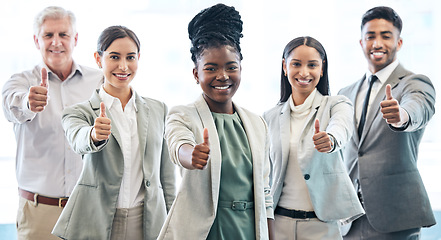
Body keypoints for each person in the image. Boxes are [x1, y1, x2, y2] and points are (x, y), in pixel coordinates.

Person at [158, 3, 273, 240]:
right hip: (205, 233)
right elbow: (177, 143)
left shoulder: (257, 124)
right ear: (196, 73)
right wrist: (189, 155)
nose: (222, 76)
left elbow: (264, 191)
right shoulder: (181, 114)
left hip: (248, 231)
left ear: (241, 68)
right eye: (211, 68)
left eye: (231, 67)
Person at [51, 25, 176, 240]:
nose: (123, 66)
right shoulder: (78, 112)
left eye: (130, 57)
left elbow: (167, 176)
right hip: (97, 222)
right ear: (98, 59)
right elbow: (77, 138)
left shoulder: (158, 110)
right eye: (114, 57)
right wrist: (93, 135)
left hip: (148, 223)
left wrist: (174, 225)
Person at [1, 6, 103, 240]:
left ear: (75, 39)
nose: (56, 42)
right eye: (48, 35)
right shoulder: (20, 82)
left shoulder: (98, 81)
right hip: (39, 214)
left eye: (63, 35)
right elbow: (11, 106)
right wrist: (29, 102)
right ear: (37, 41)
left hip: (88, 210)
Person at [338, 6, 436, 239]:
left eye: (386, 35)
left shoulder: (414, 83)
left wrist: (401, 116)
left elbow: (419, 106)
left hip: (395, 218)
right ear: (361, 43)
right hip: (349, 220)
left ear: (399, 43)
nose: (377, 43)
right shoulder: (346, 93)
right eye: (370, 36)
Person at [263, 36, 364, 239]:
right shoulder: (269, 117)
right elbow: (264, 174)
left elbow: (342, 126)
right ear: (285, 67)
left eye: (312, 65)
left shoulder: (336, 104)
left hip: (322, 227)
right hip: (279, 224)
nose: (304, 72)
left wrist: (331, 140)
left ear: (322, 68)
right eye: (296, 64)